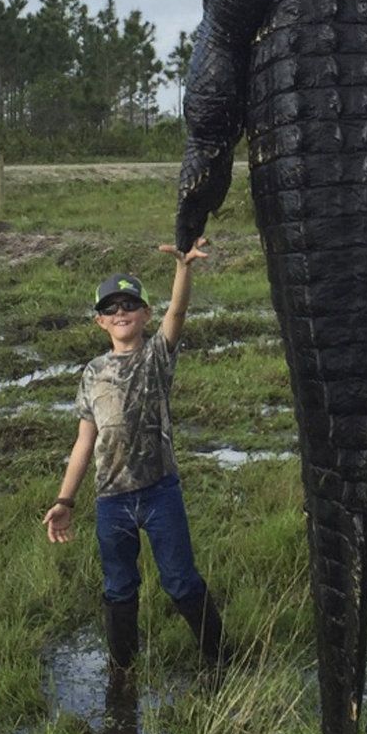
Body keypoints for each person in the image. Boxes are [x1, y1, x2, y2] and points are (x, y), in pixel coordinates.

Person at [44, 240, 226, 673]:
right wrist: (65, 501)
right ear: (100, 321)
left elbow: (178, 315)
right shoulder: (93, 373)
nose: (121, 312)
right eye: (112, 307)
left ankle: (220, 660)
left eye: (130, 304)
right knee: (119, 587)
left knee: (181, 582)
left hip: (161, 492)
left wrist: (184, 268)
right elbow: (84, 442)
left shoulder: (156, 357)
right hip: (112, 500)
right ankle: (122, 670)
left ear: (145, 314)